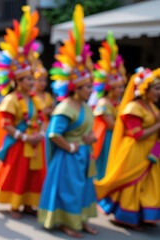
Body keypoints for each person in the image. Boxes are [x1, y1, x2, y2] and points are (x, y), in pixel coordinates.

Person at [38, 5, 98, 238]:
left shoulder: (85, 106)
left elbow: (89, 128)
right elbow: (54, 134)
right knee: (69, 191)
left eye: (91, 86)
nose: (90, 90)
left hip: (83, 156)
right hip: (69, 157)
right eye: (86, 87)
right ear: (75, 88)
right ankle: (65, 222)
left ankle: (81, 221)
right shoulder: (65, 107)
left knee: (83, 191)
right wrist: (72, 146)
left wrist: (90, 139)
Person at [0, 6, 46, 219]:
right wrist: (24, 136)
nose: (31, 82)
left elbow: (40, 117)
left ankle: (30, 204)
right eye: (27, 79)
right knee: (19, 175)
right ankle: (14, 205)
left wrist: (40, 132)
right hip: (20, 144)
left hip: (34, 141)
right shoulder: (12, 99)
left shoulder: (34, 98)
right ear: (16, 81)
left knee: (33, 175)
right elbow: (5, 123)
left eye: (32, 78)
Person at [95, 67, 160, 230]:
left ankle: (141, 216)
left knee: (145, 184)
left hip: (150, 151)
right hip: (135, 150)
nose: (159, 92)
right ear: (145, 89)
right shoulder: (133, 108)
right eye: (157, 88)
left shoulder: (153, 107)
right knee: (131, 183)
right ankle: (125, 217)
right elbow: (137, 135)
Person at [89, 31, 126, 180]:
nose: (122, 90)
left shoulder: (119, 102)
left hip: (116, 139)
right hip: (106, 141)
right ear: (109, 88)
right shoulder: (104, 103)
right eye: (118, 87)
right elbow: (112, 125)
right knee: (104, 168)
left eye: (122, 87)